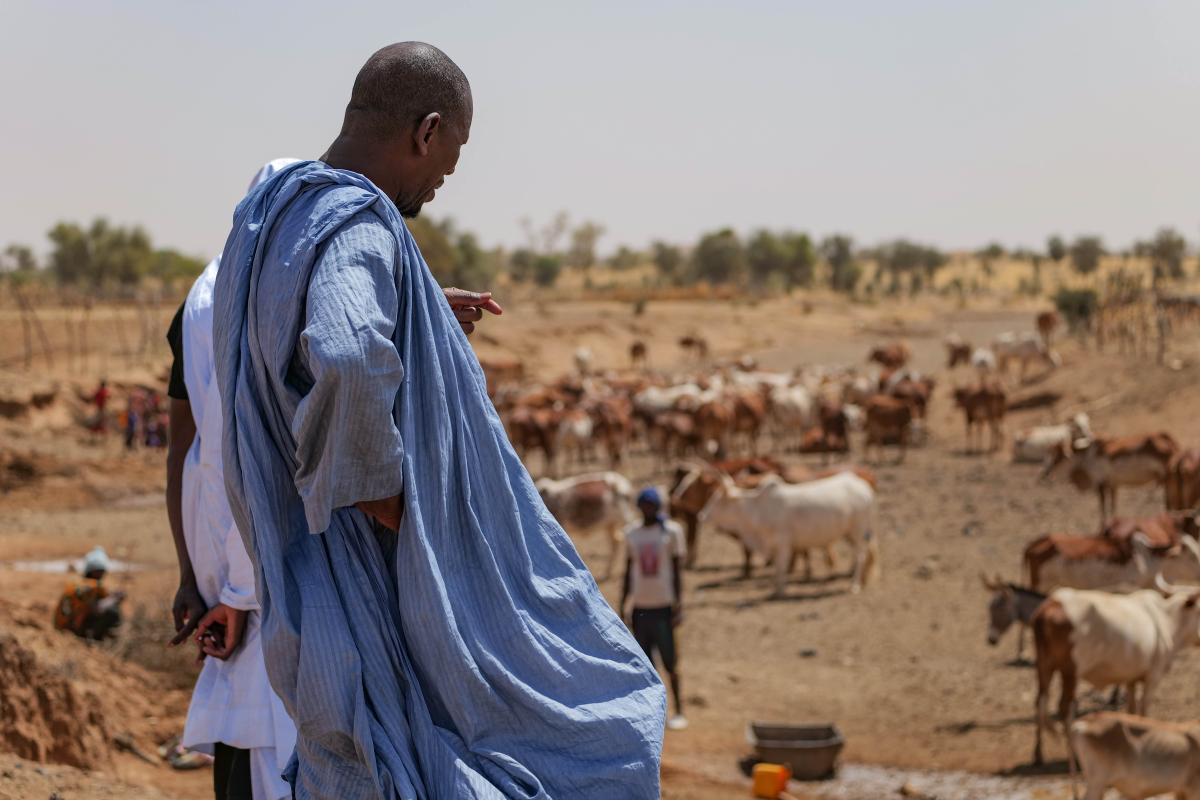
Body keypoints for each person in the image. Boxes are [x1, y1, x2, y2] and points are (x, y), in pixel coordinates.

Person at [212, 42, 665, 798]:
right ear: (427, 131)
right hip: (372, 572)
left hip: (310, 582)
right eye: (448, 158)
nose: (442, 180)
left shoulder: (274, 211)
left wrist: (418, 306)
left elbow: (309, 328)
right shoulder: (356, 220)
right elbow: (350, 353)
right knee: (601, 720)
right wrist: (408, 516)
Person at [165, 159, 303, 800]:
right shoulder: (279, 299)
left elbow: (185, 455)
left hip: (222, 571)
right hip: (271, 583)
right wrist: (239, 595)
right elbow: (241, 457)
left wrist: (193, 575)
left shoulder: (195, 305)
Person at [621, 487, 688, 731]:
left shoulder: (671, 532)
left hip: (663, 607)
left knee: (670, 662)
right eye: (644, 505)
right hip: (641, 608)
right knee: (646, 666)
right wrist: (623, 605)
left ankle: (679, 710)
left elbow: (677, 571)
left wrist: (679, 605)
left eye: (652, 505)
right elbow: (628, 572)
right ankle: (650, 714)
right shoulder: (632, 534)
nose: (648, 509)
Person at [54, 546, 124, 641]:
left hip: (61, 627)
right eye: (102, 572)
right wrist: (115, 598)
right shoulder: (94, 586)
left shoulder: (77, 582)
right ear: (98, 572)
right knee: (112, 611)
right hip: (71, 629)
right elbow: (98, 608)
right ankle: (92, 638)